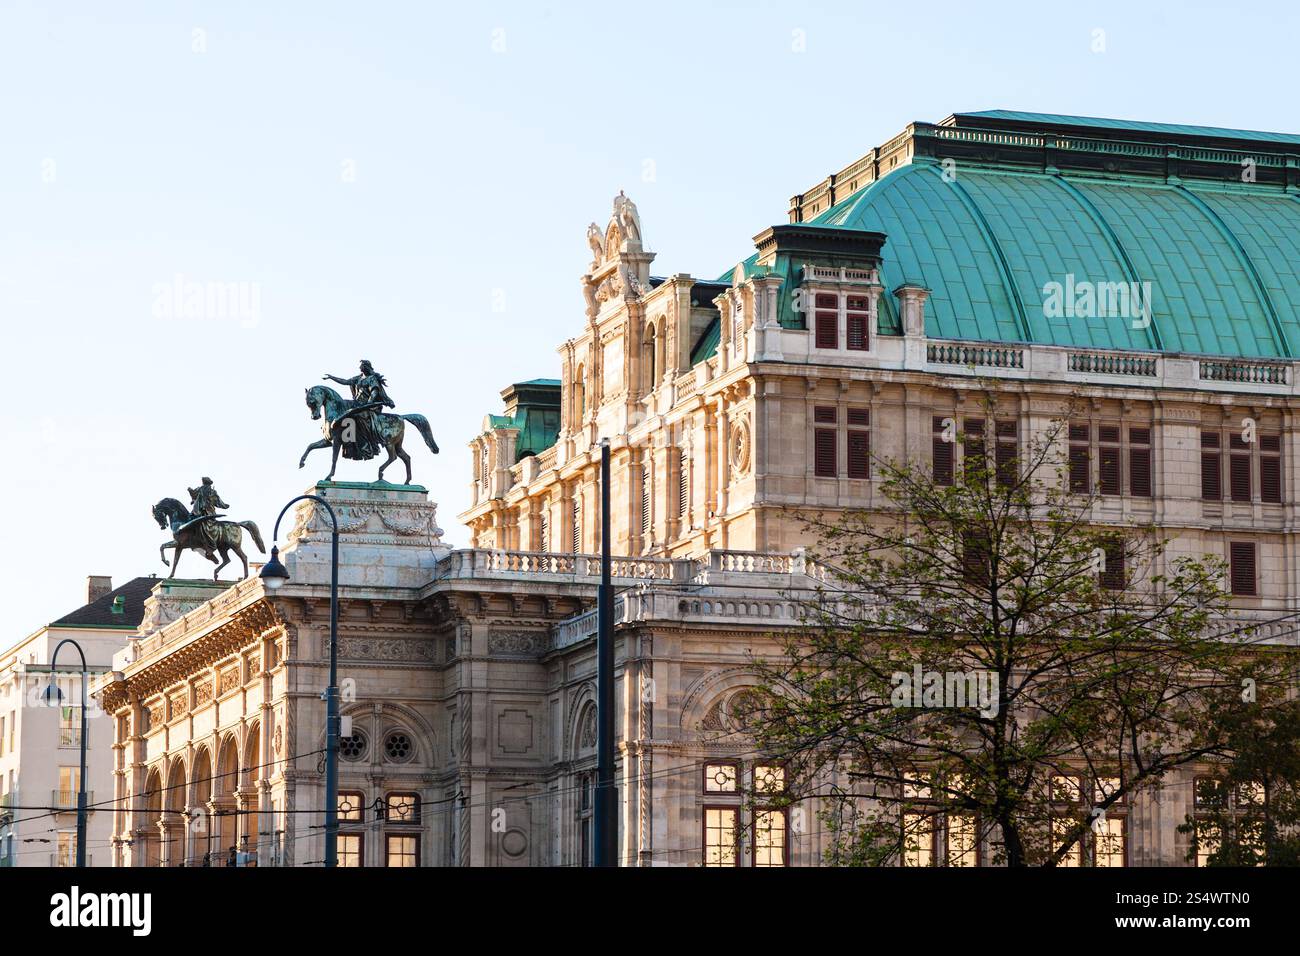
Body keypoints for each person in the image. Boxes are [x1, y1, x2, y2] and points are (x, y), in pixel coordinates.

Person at [323, 360, 395, 459]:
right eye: (360, 366)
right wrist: (331, 377)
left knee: (358, 418)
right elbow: (345, 381)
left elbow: (374, 392)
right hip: (356, 404)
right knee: (343, 407)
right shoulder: (359, 378)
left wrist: (368, 404)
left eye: (362, 366)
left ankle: (365, 445)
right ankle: (346, 442)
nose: (360, 367)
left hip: (367, 406)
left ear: (366, 367)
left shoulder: (372, 379)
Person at [187, 477, 228, 551]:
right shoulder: (202, 489)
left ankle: (211, 544)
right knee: (191, 522)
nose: (204, 484)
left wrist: (224, 505)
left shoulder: (210, 491)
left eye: (205, 482)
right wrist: (190, 491)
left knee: (204, 526)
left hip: (207, 512)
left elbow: (218, 501)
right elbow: (194, 495)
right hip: (199, 511)